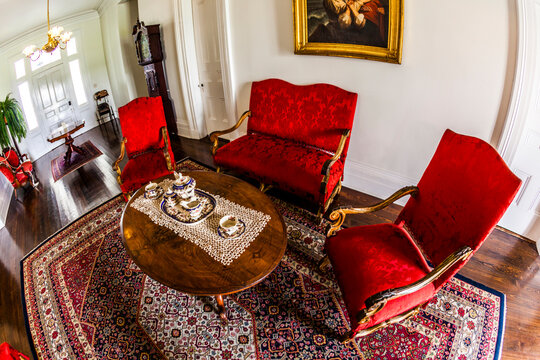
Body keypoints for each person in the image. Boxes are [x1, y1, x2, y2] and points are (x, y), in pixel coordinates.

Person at [309, 0, 388, 47]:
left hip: (353, 27)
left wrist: (353, 5)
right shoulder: (330, 1)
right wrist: (351, 6)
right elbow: (342, 9)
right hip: (337, 29)